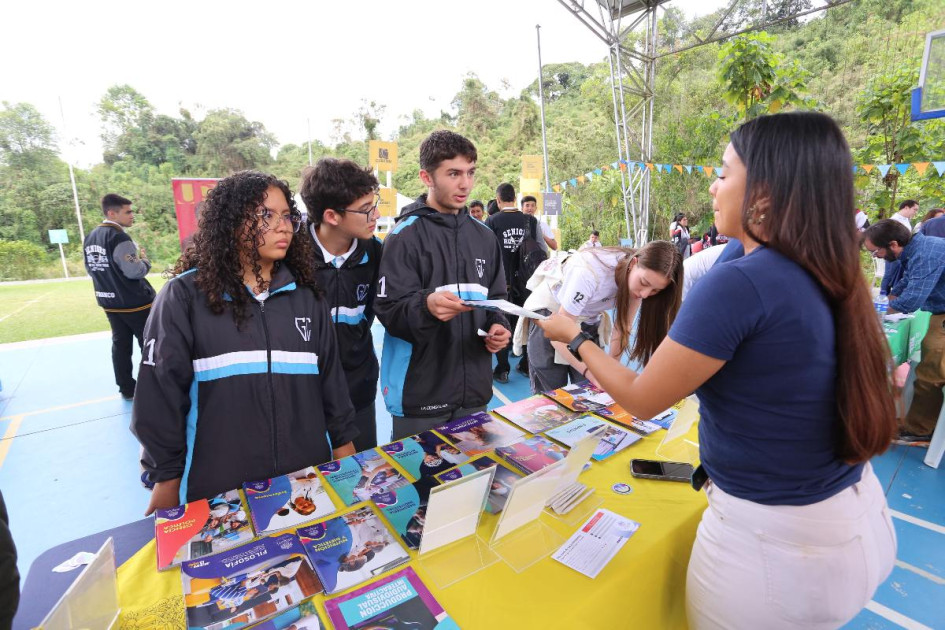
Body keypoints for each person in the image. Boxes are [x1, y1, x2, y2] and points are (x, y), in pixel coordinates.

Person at [538, 112, 897, 628]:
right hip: (852, 515)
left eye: (725, 173)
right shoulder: (817, 266)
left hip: (774, 548)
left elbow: (641, 398)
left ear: (764, 194)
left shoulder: (742, 282)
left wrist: (574, 336)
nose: (713, 186)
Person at [132, 171, 357, 511]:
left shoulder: (308, 299)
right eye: (266, 215)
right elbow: (159, 399)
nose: (283, 227)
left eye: (287, 216)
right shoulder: (184, 298)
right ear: (231, 223)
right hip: (216, 487)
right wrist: (166, 479)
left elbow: (332, 386)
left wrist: (344, 450)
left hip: (304, 481)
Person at [374, 130, 510, 439]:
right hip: (421, 397)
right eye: (453, 173)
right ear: (427, 177)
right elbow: (388, 310)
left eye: (470, 172)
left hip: (474, 394)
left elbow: (497, 298)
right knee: (420, 473)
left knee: (477, 470)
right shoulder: (404, 236)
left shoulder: (485, 236)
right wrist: (426, 307)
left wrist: (498, 326)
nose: (465, 184)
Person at [299, 158, 384, 451]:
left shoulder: (375, 253)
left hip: (357, 391)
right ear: (332, 216)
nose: (376, 214)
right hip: (303, 396)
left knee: (361, 472)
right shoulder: (290, 256)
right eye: (365, 209)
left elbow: (374, 311)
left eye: (374, 204)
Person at [524, 241, 683, 393]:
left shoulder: (638, 282)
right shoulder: (588, 273)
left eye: (655, 290)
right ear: (633, 263)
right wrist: (591, 374)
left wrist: (609, 373)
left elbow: (623, 327)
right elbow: (558, 335)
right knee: (551, 393)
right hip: (551, 316)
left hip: (587, 319)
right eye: (644, 282)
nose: (645, 294)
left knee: (591, 390)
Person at [863, 219, 945, 444]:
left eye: (876, 251)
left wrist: (870, 313)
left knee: (931, 371)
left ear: (893, 244)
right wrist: (883, 301)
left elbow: (911, 300)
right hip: (940, 311)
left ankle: (920, 430)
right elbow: (906, 284)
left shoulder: (926, 254)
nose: (877, 256)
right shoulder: (917, 250)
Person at [83, 194, 155, 400]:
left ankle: (126, 388)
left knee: (120, 345)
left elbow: (91, 269)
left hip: (109, 302)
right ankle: (154, 386)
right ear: (112, 213)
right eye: (128, 212)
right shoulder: (119, 237)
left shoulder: (90, 236)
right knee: (149, 344)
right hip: (134, 303)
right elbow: (134, 271)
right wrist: (145, 262)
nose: (132, 215)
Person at [485, 182, 539, 383]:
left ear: (498, 200)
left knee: (501, 323)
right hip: (527, 282)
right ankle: (526, 364)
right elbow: (539, 250)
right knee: (526, 323)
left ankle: (502, 369)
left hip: (501, 283)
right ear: (515, 199)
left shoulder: (492, 221)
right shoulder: (531, 221)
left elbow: (486, 253)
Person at [881, 200, 920, 296]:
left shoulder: (906, 219)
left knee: (898, 276)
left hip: (903, 252)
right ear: (906, 207)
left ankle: (893, 296)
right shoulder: (894, 220)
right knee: (889, 275)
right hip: (893, 252)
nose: (915, 212)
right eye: (914, 209)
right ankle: (883, 296)